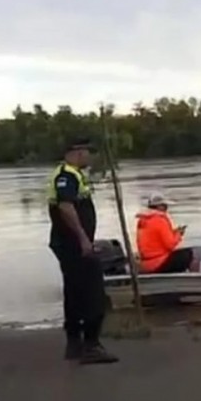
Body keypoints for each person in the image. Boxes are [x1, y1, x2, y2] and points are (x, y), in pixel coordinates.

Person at [47, 137, 118, 365]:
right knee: (92, 292)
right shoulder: (66, 176)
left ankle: (75, 344)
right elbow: (66, 208)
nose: (90, 156)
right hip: (73, 245)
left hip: (73, 244)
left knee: (75, 291)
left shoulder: (74, 174)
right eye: (87, 151)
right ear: (76, 152)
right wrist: (83, 240)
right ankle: (90, 345)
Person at [136, 193, 201, 274]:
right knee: (193, 254)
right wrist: (179, 234)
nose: (166, 208)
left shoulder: (143, 220)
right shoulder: (160, 220)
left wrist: (174, 232)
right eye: (165, 205)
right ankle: (195, 281)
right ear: (159, 206)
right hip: (159, 263)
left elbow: (156, 239)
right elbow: (170, 245)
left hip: (145, 263)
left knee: (180, 256)